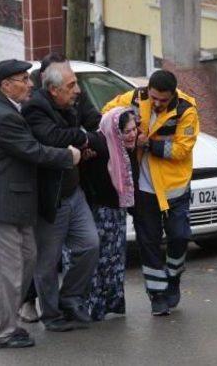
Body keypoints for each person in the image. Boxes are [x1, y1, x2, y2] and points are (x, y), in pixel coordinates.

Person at [0, 59, 80, 348]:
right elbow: (32, 151)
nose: (31, 84)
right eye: (23, 79)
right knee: (10, 271)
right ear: (6, 85)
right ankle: (4, 332)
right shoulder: (2, 115)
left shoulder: (7, 109)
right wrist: (68, 156)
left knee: (28, 260)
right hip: (0, 205)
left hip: (14, 204)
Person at [103, 70, 199, 316]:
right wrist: (125, 128)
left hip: (173, 187)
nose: (156, 103)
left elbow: (181, 149)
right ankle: (157, 294)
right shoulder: (135, 98)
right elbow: (107, 113)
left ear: (173, 95)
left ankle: (174, 277)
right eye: (153, 97)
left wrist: (148, 144)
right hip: (143, 188)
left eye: (162, 100)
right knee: (149, 242)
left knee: (179, 236)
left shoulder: (186, 109)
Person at [22, 60, 101, 332]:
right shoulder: (35, 107)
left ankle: (70, 299)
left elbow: (95, 123)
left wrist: (84, 139)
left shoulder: (71, 102)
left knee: (90, 244)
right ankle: (51, 315)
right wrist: (82, 138)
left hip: (73, 191)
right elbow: (52, 137)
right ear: (54, 90)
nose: (78, 90)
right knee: (47, 262)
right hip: (51, 198)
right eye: (71, 85)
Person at [62, 107, 138, 320]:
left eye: (134, 129)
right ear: (115, 131)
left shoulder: (125, 149)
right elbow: (77, 142)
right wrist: (82, 154)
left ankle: (107, 305)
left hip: (116, 216)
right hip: (97, 214)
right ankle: (86, 307)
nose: (132, 134)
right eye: (127, 131)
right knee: (96, 262)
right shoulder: (100, 143)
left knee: (113, 262)